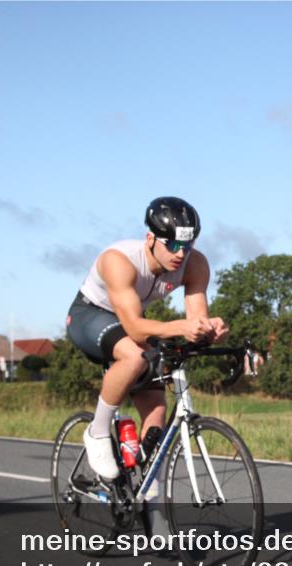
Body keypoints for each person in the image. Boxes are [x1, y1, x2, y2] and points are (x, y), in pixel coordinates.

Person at [66, 196, 229, 480]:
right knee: (134, 357)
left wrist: (208, 330)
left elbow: (195, 320)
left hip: (132, 321)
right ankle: (98, 431)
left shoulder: (195, 264)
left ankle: (146, 490)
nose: (181, 254)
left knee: (157, 407)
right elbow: (136, 329)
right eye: (173, 245)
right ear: (151, 238)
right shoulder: (120, 260)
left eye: (188, 246)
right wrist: (181, 327)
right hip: (90, 316)